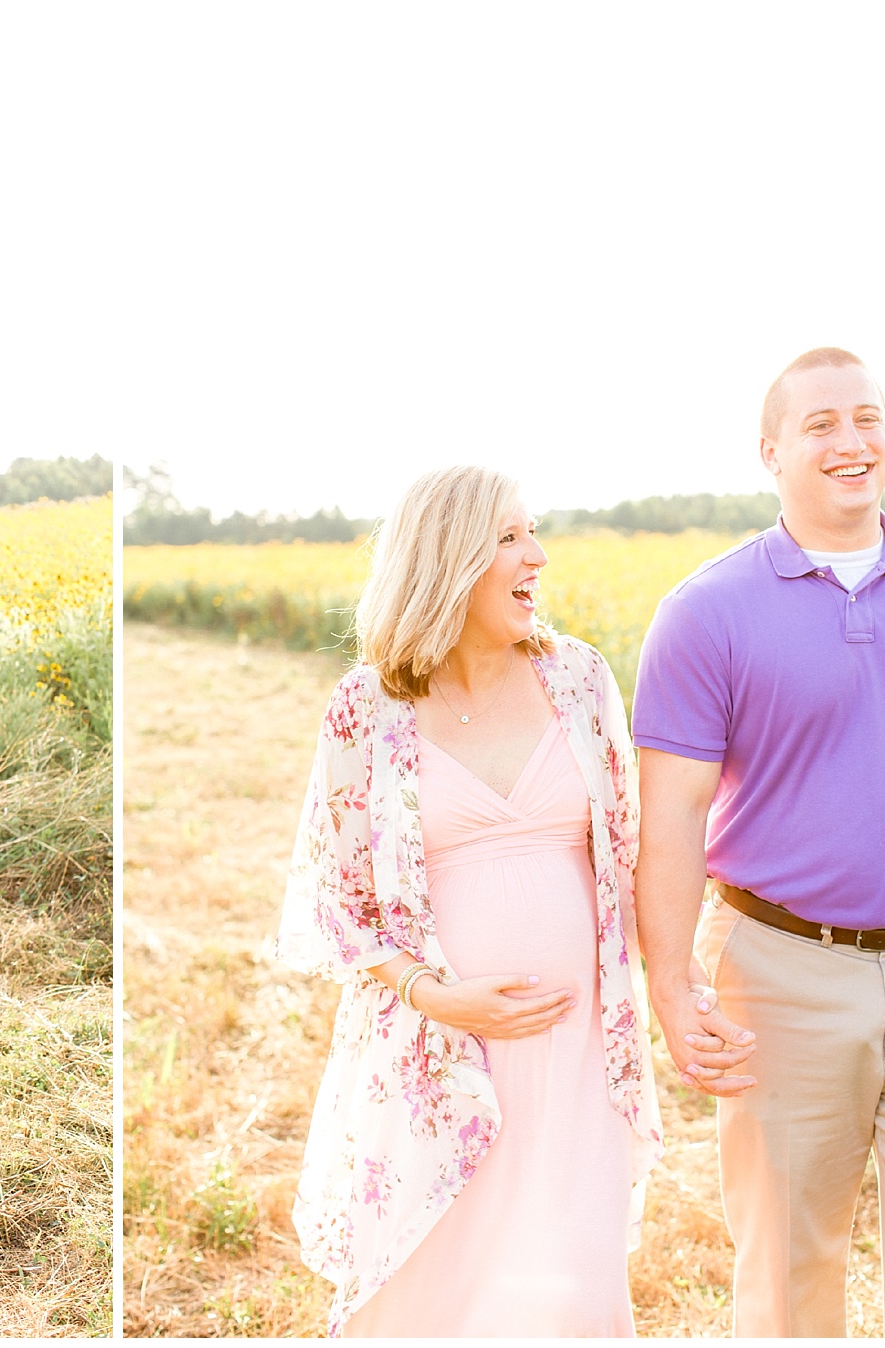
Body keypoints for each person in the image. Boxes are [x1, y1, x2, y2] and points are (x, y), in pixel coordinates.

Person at [633, 347, 885, 1337]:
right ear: (771, 452)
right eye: (821, 424)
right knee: (792, 1273)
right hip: (783, 976)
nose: (852, 441)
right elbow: (668, 820)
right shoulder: (704, 613)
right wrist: (671, 988)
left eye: (868, 417)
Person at [276, 465, 664, 1337]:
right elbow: (335, 899)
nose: (539, 555)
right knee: (437, 1295)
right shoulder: (366, 708)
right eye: (509, 538)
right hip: (437, 1057)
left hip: (577, 1048)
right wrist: (433, 994)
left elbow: (631, 853)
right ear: (448, 558)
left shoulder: (578, 680)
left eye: (533, 532)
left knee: (569, 1291)